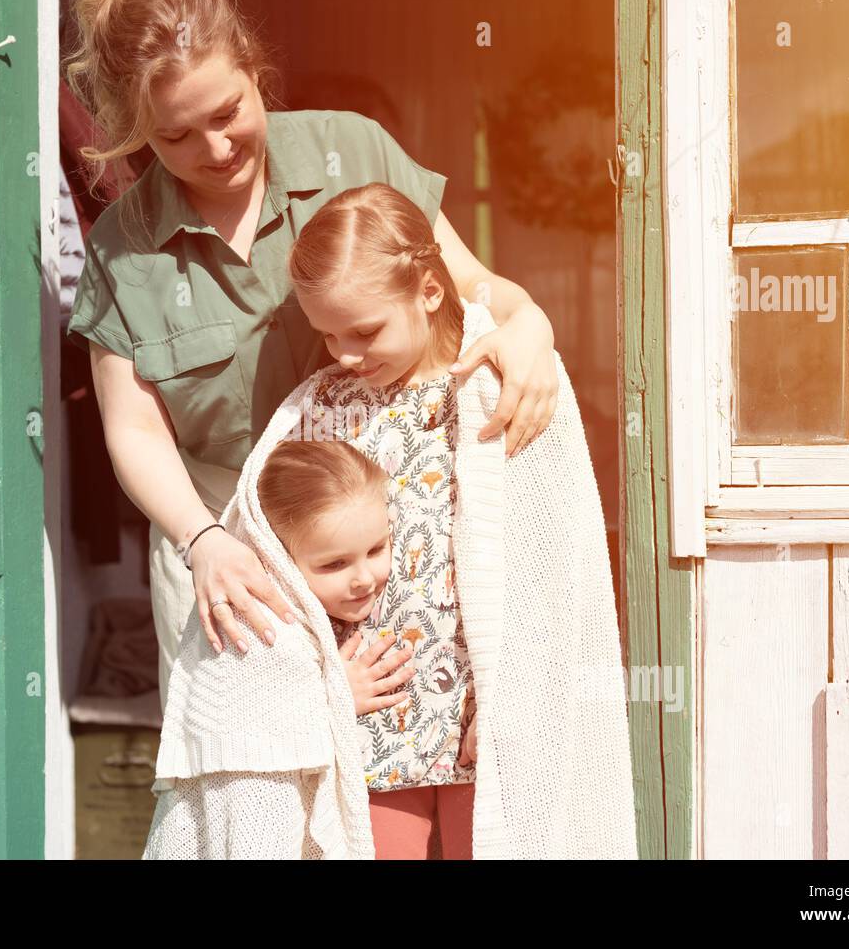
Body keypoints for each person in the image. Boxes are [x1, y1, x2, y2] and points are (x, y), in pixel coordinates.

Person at [64, 0, 563, 709]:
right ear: (140, 129)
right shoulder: (121, 246)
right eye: (175, 136)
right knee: (248, 785)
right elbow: (134, 428)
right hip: (227, 553)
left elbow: (470, 284)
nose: (214, 149)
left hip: (384, 546)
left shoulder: (353, 150)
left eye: (227, 112)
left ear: (253, 69)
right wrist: (203, 541)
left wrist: (532, 324)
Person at [142, 183, 637, 859]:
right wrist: (316, 684)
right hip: (371, 716)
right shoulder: (319, 411)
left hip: (481, 716)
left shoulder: (496, 389)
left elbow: (548, 557)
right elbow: (277, 568)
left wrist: (513, 698)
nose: (346, 353)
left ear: (429, 292)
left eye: (365, 331)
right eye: (327, 335)